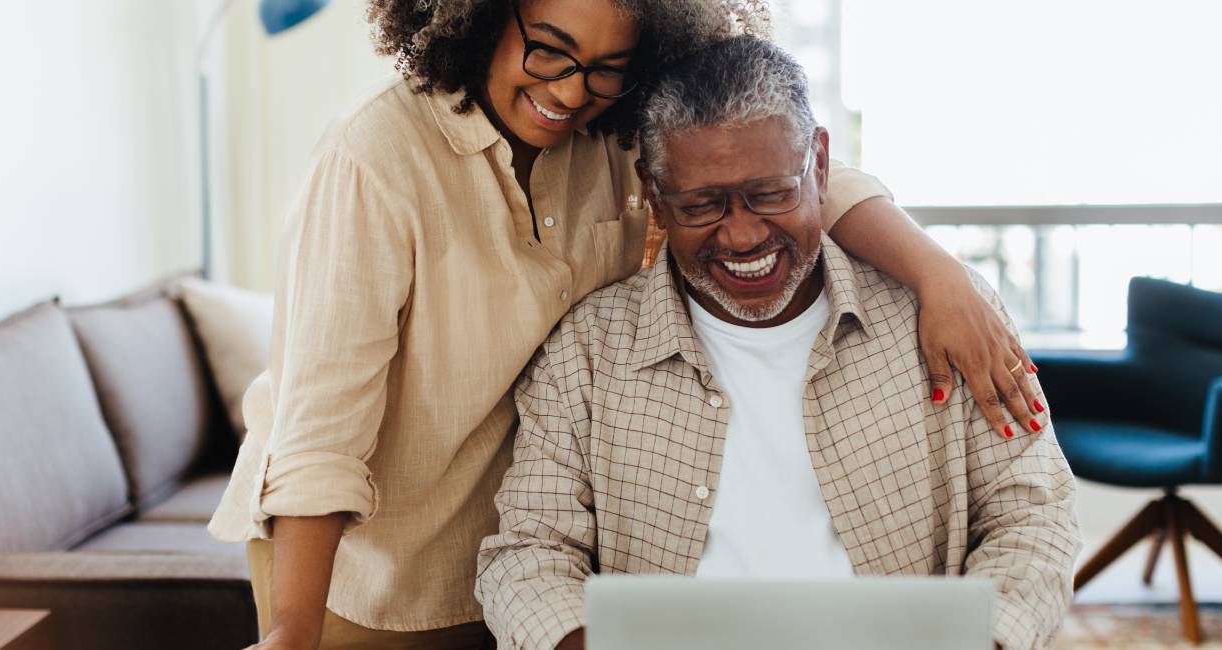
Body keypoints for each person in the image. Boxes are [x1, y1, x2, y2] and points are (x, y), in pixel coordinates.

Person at [210, 1, 1044, 648]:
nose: (570, 90)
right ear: (482, 17)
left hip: (499, 543)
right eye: (550, 49)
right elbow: (320, 429)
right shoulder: (374, 160)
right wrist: (293, 629)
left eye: (608, 67)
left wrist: (941, 276)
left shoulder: (610, 134)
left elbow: (782, 172)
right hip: (358, 563)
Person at [475, 35, 1080, 650]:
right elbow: (530, 552)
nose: (741, 236)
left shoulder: (944, 316)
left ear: (818, 165)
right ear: (655, 195)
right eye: (701, 205)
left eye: (770, 195)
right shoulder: (587, 352)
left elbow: (1032, 516)